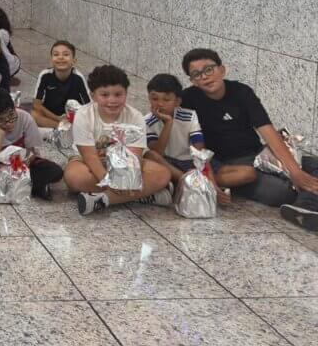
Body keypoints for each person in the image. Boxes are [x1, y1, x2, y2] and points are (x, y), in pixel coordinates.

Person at [180, 48, 318, 228]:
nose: (205, 76)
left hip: (258, 154)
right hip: (229, 166)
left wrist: (295, 172)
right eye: (197, 74)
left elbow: (268, 132)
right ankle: (307, 204)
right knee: (281, 191)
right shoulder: (188, 99)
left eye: (209, 69)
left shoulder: (242, 92)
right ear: (192, 80)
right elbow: (190, 144)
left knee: (312, 165)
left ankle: (306, 207)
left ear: (222, 70)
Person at [63, 64, 172, 216]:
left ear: (126, 93)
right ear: (93, 95)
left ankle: (103, 199)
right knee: (73, 177)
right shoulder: (83, 114)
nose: (112, 100)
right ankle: (144, 195)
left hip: (126, 165)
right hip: (88, 162)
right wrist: (108, 180)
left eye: (118, 94)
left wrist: (124, 179)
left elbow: (135, 157)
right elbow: (90, 156)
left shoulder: (135, 116)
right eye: (104, 95)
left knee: (162, 174)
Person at [0, 87, 63, 200]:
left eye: (11, 116)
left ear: (14, 108)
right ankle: (35, 187)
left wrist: (21, 165)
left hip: (22, 165)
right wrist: (0, 135)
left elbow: (32, 153)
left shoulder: (25, 118)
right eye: (1, 120)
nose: (9, 124)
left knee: (55, 171)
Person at [142, 72, 228, 204]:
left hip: (190, 162)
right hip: (167, 165)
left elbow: (199, 151)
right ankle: (191, 184)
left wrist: (213, 185)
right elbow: (157, 153)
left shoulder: (189, 116)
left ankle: (188, 185)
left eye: (166, 100)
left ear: (177, 102)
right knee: (150, 155)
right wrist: (168, 123)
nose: (160, 104)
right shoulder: (147, 121)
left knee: (245, 173)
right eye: (154, 99)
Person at [32, 40, 91, 129]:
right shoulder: (45, 75)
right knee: (34, 115)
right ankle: (62, 128)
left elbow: (88, 106)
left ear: (74, 61)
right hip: (52, 117)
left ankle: (69, 128)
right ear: (51, 60)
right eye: (56, 54)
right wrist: (58, 119)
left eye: (66, 54)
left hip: (71, 117)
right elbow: (36, 104)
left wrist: (74, 118)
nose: (60, 57)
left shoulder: (78, 78)